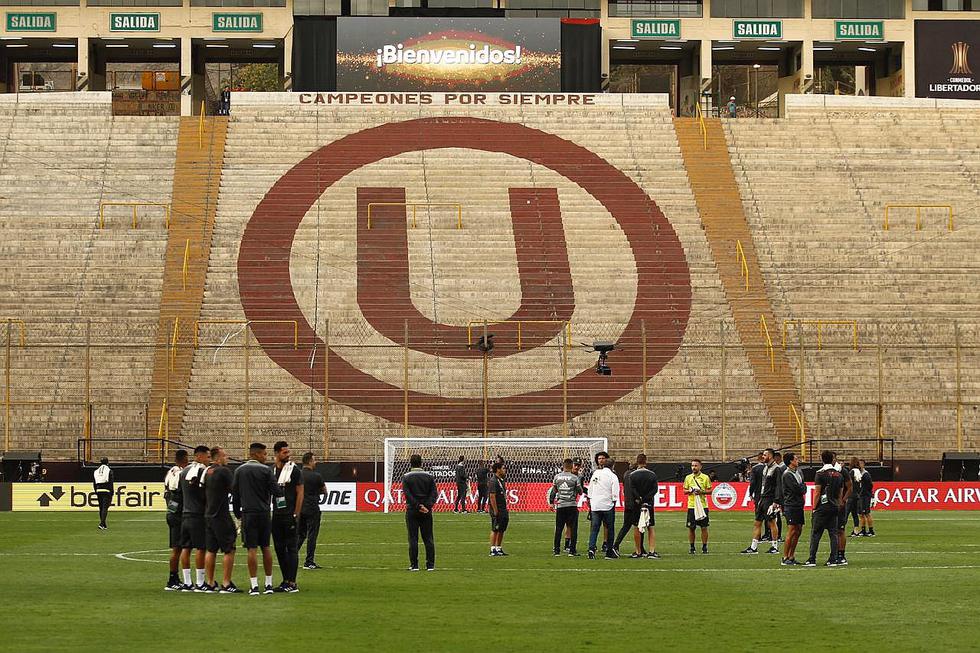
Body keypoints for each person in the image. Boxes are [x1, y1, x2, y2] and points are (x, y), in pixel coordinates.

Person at [232, 442, 278, 596]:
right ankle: (269, 584)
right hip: (264, 513)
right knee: (266, 547)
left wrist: (238, 513)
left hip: (248, 514)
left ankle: (254, 586)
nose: (266, 457)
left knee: (251, 549)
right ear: (256, 454)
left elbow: (235, 494)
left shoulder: (239, 471)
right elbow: (276, 491)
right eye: (264, 454)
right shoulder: (267, 470)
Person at [203, 446, 239, 593]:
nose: (227, 458)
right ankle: (226, 583)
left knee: (211, 550)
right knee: (229, 549)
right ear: (218, 458)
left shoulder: (207, 471)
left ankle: (210, 582)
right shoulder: (224, 471)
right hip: (221, 515)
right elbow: (234, 489)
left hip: (209, 514)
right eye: (225, 455)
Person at [271, 440, 304, 593]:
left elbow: (300, 492)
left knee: (291, 548)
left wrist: (296, 513)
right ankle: (285, 580)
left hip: (290, 515)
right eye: (284, 452)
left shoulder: (294, 470)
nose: (288, 455)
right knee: (279, 549)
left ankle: (292, 582)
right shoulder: (272, 471)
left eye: (288, 452)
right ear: (276, 453)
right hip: (276, 515)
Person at [804, 451, 845, 567]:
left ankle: (812, 559)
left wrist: (814, 507)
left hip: (822, 508)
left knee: (816, 534)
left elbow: (817, 492)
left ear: (822, 459)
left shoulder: (820, 474)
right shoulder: (839, 475)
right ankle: (833, 559)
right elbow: (840, 493)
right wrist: (838, 504)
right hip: (834, 507)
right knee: (833, 534)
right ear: (832, 459)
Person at [179, 446, 211, 591]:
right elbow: (204, 493)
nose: (209, 460)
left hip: (185, 514)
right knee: (201, 547)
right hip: (198, 515)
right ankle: (200, 582)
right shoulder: (202, 471)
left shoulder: (184, 471)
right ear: (199, 456)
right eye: (207, 457)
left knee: (186, 548)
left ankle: (187, 582)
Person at [741, 449, 781, 555]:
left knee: (771, 522)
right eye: (763, 455)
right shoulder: (765, 468)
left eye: (765, 455)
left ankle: (775, 546)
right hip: (762, 498)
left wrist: (776, 501)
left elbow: (779, 486)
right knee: (757, 522)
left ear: (771, 456)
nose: (763, 456)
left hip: (770, 499)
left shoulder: (776, 469)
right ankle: (754, 547)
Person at [403, 453, 437, 571]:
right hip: (426, 511)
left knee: (413, 538)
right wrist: (427, 506)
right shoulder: (429, 476)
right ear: (421, 463)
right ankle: (430, 565)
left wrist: (418, 506)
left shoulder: (406, 477)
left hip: (412, 510)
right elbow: (434, 494)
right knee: (428, 538)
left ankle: (414, 565)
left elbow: (408, 495)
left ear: (410, 463)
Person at [625, 454, 659, 558]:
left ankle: (638, 551)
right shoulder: (652, 474)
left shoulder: (633, 475)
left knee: (636, 526)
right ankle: (652, 551)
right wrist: (647, 498)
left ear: (637, 462)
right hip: (648, 503)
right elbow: (655, 489)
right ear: (646, 462)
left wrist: (639, 498)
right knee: (650, 526)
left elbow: (632, 489)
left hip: (637, 503)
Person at [163, 450, 189, 590]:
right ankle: (173, 579)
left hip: (172, 511)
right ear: (185, 459)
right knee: (179, 549)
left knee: (177, 548)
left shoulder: (170, 471)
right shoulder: (182, 474)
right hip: (178, 514)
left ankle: (174, 578)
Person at [587, 453, 619, 560]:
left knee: (594, 528)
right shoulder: (613, 476)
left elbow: (590, 489)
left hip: (595, 505)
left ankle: (591, 549)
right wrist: (613, 502)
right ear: (612, 466)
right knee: (610, 529)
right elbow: (615, 492)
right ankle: (609, 552)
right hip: (607, 505)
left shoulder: (596, 473)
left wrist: (591, 502)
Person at [549, 458, 583, 557]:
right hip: (571, 505)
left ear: (563, 466)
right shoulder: (574, 478)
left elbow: (554, 490)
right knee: (573, 528)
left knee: (559, 528)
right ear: (572, 466)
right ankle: (572, 551)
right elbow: (580, 491)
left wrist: (551, 502)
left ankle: (556, 550)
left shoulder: (557, 477)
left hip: (560, 505)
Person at [298, 452, 326, 570]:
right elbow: (324, 491)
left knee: (300, 535)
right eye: (314, 460)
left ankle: (290, 556)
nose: (316, 462)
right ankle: (309, 561)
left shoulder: (297, 475)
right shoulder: (316, 476)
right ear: (309, 461)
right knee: (312, 535)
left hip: (300, 508)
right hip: (312, 508)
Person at [780, 452, 806, 566]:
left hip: (799, 505)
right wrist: (802, 487)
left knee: (798, 530)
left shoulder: (798, 472)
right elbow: (798, 489)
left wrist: (802, 487)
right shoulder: (787, 474)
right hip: (791, 505)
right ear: (790, 461)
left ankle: (792, 555)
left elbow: (803, 486)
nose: (798, 460)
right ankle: (785, 557)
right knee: (791, 530)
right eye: (796, 458)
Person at [683, 459, 712, 555]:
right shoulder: (688, 478)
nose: (694, 467)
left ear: (700, 467)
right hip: (692, 506)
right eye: (692, 465)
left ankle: (704, 547)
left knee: (704, 527)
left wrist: (701, 492)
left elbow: (710, 491)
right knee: (691, 528)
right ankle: (692, 547)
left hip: (703, 506)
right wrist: (691, 491)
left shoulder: (705, 477)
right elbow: (684, 490)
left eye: (696, 465)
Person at [488, 462, 510, 556]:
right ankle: (492, 549)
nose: (505, 470)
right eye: (503, 468)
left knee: (502, 529)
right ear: (498, 469)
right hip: (497, 509)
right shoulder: (493, 481)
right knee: (495, 528)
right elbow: (492, 496)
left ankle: (499, 547)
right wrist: (495, 510)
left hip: (503, 508)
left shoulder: (501, 480)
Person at [834, 458, 853, 566]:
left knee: (840, 529)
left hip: (840, 505)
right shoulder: (824, 471)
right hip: (829, 505)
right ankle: (834, 554)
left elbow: (850, 487)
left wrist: (843, 500)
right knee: (832, 531)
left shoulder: (842, 471)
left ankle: (841, 554)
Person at [93, 457, 113, 531]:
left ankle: (103, 524)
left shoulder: (96, 471)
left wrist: (95, 490)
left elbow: (94, 483)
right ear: (107, 462)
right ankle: (102, 523)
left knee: (101, 507)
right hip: (106, 489)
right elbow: (111, 482)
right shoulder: (109, 470)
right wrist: (112, 492)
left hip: (98, 489)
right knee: (105, 507)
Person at [858, 459, 876, 537]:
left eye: (861, 464)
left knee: (867, 513)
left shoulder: (866, 474)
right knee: (861, 514)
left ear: (864, 465)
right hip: (861, 496)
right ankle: (863, 530)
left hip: (865, 496)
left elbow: (870, 485)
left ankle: (871, 531)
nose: (860, 465)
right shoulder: (858, 473)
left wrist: (869, 495)